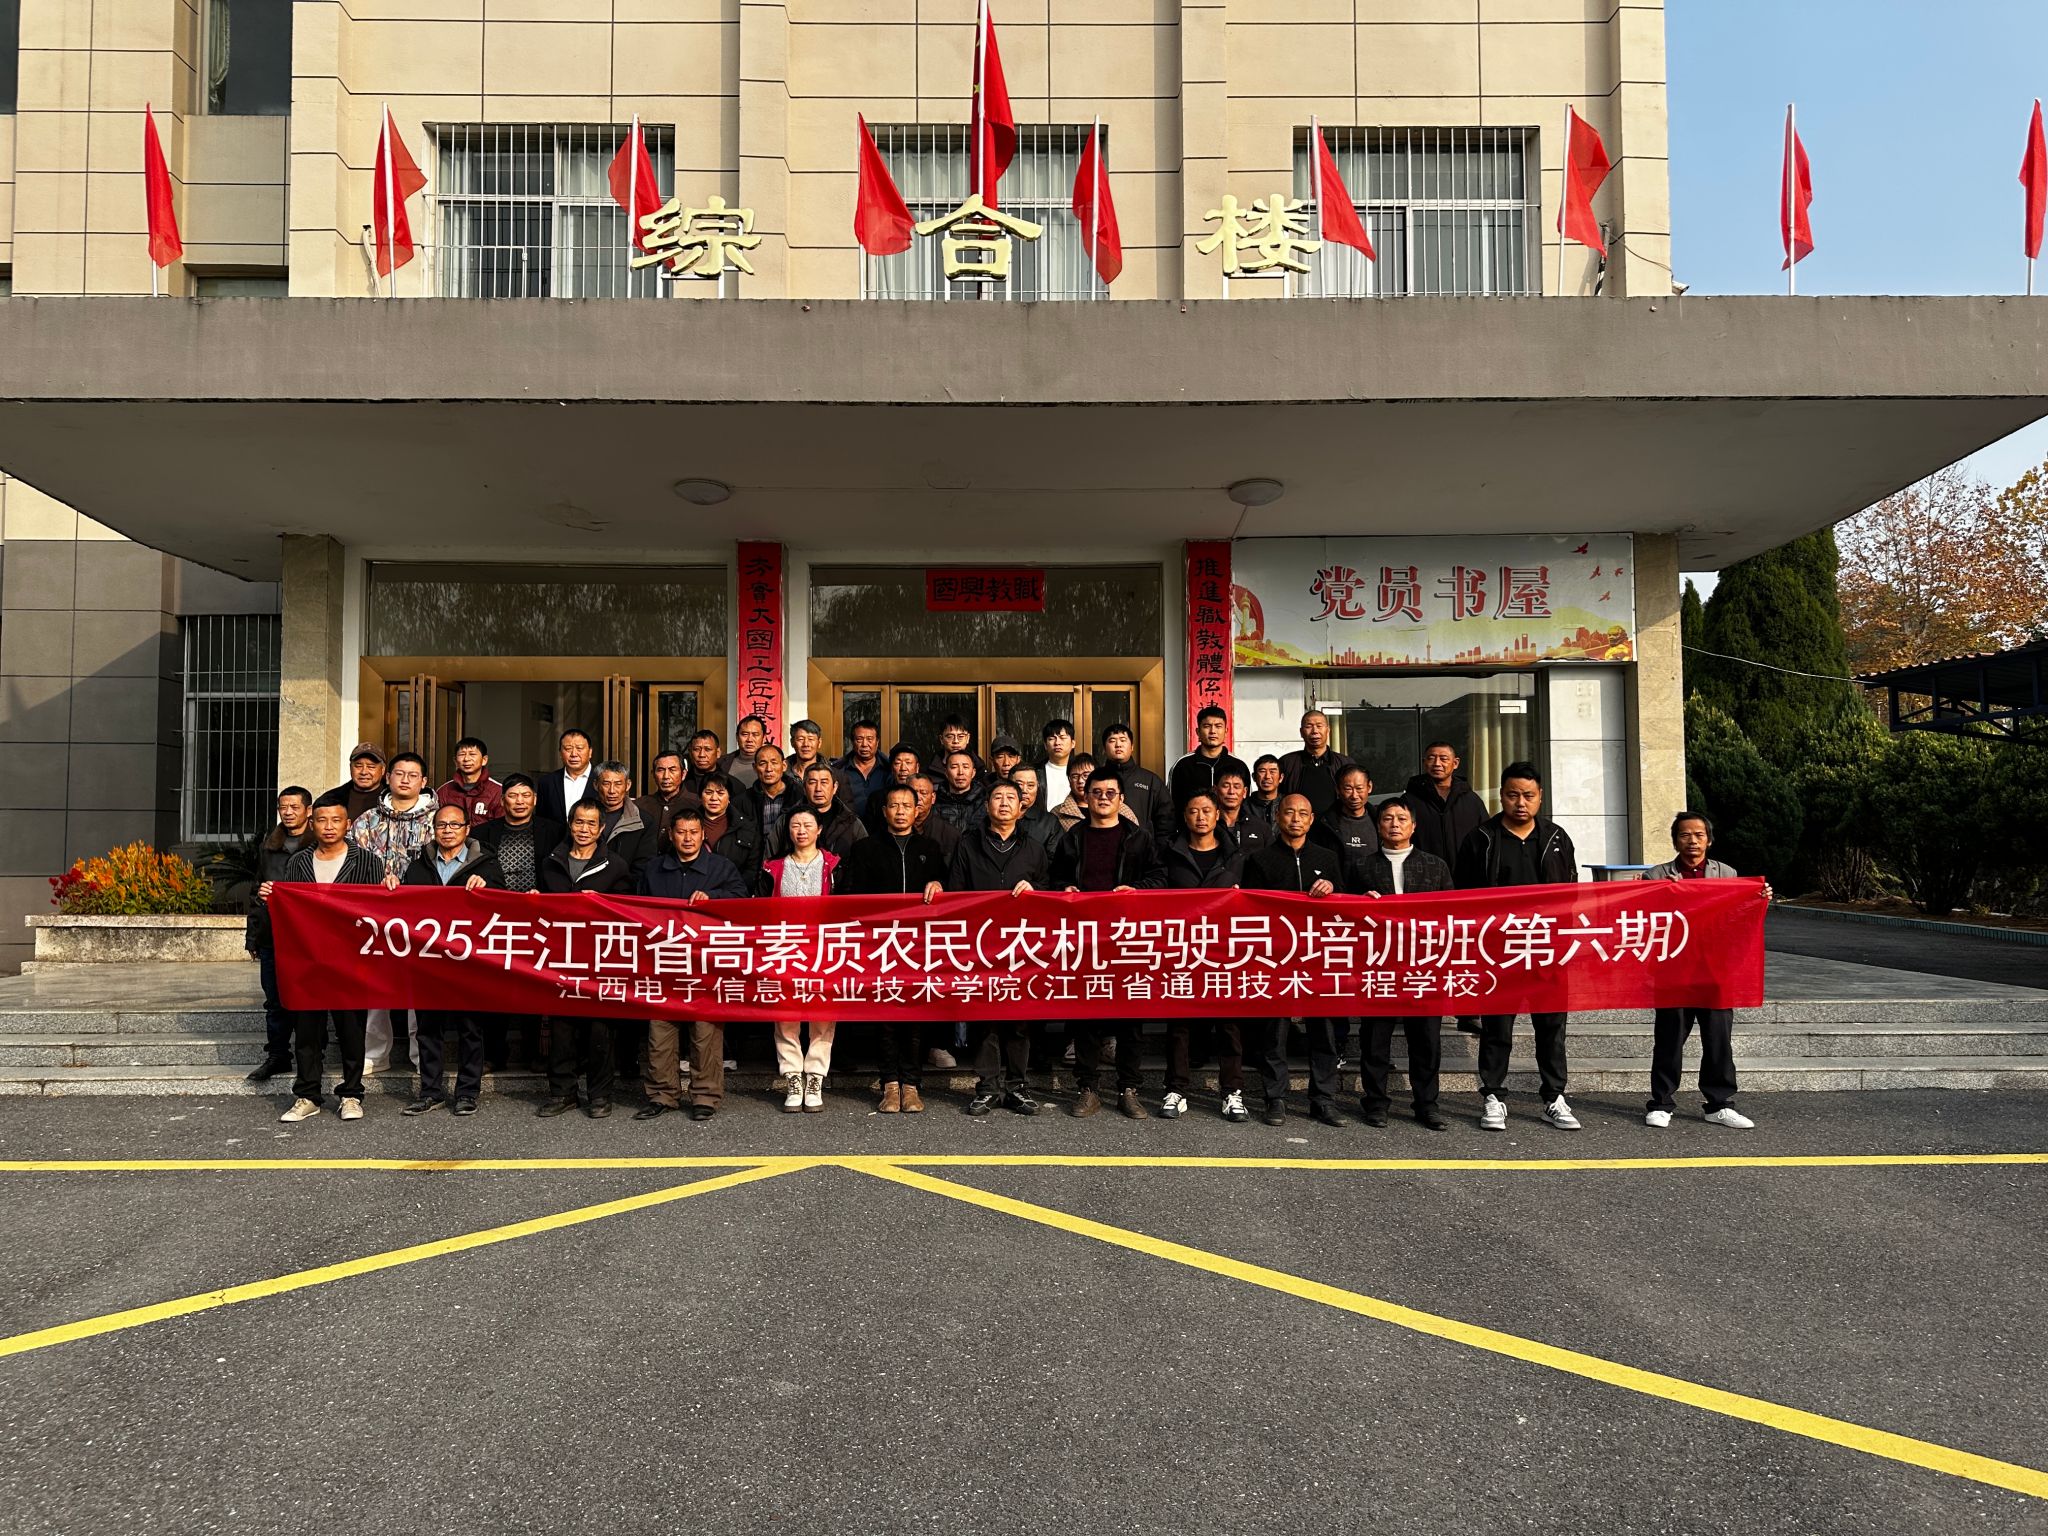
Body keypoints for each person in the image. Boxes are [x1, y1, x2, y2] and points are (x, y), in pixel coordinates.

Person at [1455, 761, 1581, 1134]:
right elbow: (1463, 897)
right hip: (1498, 951)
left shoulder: (1557, 838)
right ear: (1501, 796)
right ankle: (1494, 1096)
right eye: (1513, 795)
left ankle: (1554, 1097)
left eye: (1528, 795)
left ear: (1540, 797)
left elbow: (1571, 894)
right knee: (1497, 1027)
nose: (1520, 803)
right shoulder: (1481, 838)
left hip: (1547, 949)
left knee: (1552, 1027)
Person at [1050, 769, 1165, 1118]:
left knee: (1131, 1017)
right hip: (1085, 938)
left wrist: (1137, 890)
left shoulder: (1139, 837)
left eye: (1110, 793)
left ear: (1121, 799)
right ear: (1086, 797)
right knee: (1085, 1016)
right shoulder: (1072, 838)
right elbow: (1055, 879)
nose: (1103, 798)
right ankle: (1087, 1088)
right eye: (1096, 792)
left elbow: (1159, 878)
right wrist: (1064, 889)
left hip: (1128, 937)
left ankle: (1129, 1089)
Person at [1642, 812, 1765, 1131]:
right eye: (1685, 835)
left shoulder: (1726, 873)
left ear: (1709, 840)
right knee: (1669, 1040)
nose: (1692, 841)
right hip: (1674, 971)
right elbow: (1643, 918)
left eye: (1699, 835)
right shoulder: (1657, 875)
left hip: (1715, 971)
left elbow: (1737, 916)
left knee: (1718, 1040)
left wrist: (1758, 898)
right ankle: (1661, 1103)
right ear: (1675, 841)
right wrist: (1659, 894)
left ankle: (1719, 1104)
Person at [276, 796, 386, 1124]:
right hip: (308, 959)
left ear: (347, 824)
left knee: (351, 1030)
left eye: (336, 820)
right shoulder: (298, 862)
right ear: (312, 824)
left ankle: (351, 1094)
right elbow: (290, 909)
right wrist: (272, 895)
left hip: (350, 960)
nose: (328, 827)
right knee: (307, 1032)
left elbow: (376, 910)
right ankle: (307, 1095)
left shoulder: (367, 861)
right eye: (322, 820)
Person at [839, 783, 949, 1112]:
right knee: (885, 1016)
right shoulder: (865, 849)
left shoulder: (930, 848)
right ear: (884, 811)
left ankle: (912, 1085)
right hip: (880, 945)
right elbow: (850, 897)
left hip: (919, 945)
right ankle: (889, 1084)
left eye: (907, 805)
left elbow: (949, 889)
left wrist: (939, 884)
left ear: (918, 811)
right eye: (894, 805)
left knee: (915, 1015)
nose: (900, 811)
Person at [637, 809, 750, 1123]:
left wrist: (713, 897)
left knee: (705, 1033)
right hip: (664, 961)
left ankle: (705, 1096)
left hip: (706, 964)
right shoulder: (654, 869)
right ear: (671, 835)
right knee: (660, 1032)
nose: (687, 838)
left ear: (703, 835)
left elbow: (743, 901)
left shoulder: (721, 867)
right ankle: (662, 1094)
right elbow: (636, 910)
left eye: (693, 832)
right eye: (681, 832)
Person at [1242, 794, 1346, 1128]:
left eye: (1303, 813)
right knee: (1275, 1031)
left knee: (1324, 1030)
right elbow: (1251, 910)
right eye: (1289, 812)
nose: (1296, 819)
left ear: (1312, 819)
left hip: (1321, 956)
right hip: (1278, 957)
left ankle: (1324, 1099)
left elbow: (1347, 905)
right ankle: (1275, 1098)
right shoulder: (1260, 860)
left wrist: (1333, 888)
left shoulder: (1328, 858)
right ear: (1278, 817)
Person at [392, 803, 503, 1117]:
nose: (448, 831)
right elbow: (405, 908)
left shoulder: (487, 865)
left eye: (455, 825)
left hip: (470, 961)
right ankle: (430, 1092)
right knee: (428, 1029)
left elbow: (504, 906)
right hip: (429, 962)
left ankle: (467, 1092)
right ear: (434, 830)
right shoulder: (419, 867)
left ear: (467, 829)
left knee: (470, 1028)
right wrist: (392, 890)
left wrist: (487, 888)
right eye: (442, 825)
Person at [950, 780, 1048, 1116]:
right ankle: (988, 1088)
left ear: (1022, 808)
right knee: (985, 1018)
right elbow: (956, 892)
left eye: (1010, 798)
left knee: (1020, 1018)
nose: (1004, 803)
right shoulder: (968, 845)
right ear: (986, 805)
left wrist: (1035, 889)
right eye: (997, 797)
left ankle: (1018, 1087)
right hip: (981, 944)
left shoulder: (1034, 848)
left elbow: (1050, 890)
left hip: (1023, 946)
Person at [1354, 800, 1453, 1131]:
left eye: (1401, 818)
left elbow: (1452, 914)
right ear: (1378, 826)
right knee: (1374, 1039)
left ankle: (1427, 1104)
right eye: (1387, 818)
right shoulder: (1362, 867)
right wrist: (1360, 905)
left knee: (1426, 1040)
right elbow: (1344, 917)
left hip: (1423, 965)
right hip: (1379, 965)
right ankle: (1376, 1102)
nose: (1394, 824)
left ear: (1413, 826)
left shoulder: (1435, 866)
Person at [535, 800, 637, 1119]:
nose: (584, 829)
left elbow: (628, 911)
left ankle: (600, 1095)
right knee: (561, 1030)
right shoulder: (551, 861)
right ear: (570, 824)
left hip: (599, 959)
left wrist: (604, 903)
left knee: (599, 1031)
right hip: (560, 957)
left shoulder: (615, 865)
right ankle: (562, 1092)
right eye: (579, 822)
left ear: (601, 828)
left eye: (592, 824)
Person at [1158, 789, 1250, 1122]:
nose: (1200, 817)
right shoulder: (1170, 854)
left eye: (1207, 811)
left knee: (1228, 1024)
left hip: (1224, 951)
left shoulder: (1235, 857)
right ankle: (1176, 1089)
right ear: (1185, 817)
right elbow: (1155, 892)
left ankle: (1232, 1092)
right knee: (1179, 1023)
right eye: (1194, 811)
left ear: (1217, 815)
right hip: (1181, 949)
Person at [350, 749, 437, 1074]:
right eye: (399, 774)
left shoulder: (436, 820)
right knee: (376, 984)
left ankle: (421, 1056)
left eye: (413, 775)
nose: (405, 780)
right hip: (376, 914)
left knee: (419, 989)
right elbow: (354, 862)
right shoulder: (367, 821)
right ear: (388, 777)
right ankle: (376, 1054)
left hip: (421, 915)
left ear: (423, 781)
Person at [474, 772, 560, 1070]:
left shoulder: (553, 831)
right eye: (513, 796)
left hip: (537, 919)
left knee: (532, 987)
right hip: (495, 920)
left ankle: (534, 1053)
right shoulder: (483, 833)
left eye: (525, 796)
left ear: (535, 800)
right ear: (502, 800)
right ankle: (494, 1054)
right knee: (493, 988)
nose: (519, 801)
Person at [762, 807, 842, 1112]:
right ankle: (793, 1076)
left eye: (808, 825)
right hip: (784, 948)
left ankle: (816, 1077)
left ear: (819, 829)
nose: (801, 830)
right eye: (796, 825)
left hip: (824, 950)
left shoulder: (835, 866)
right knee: (786, 1014)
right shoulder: (773, 867)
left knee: (823, 1015)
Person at [244, 786, 314, 1083]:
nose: (288, 812)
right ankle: (277, 1055)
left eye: (294, 807)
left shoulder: (319, 844)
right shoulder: (269, 845)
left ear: (308, 811)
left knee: (308, 999)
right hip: (272, 933)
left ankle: (312, 1057)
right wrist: (252, 935)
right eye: (283, 807)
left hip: (308, 937)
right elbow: (256, 889)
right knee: (274, 999)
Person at [1401, 741, 1488, 867]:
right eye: (1431, 758)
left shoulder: (1471, 800)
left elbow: (1485, 837)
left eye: (1443, 759)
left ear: (1455, 763)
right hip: (1423, 871)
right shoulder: (1409, 801)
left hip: (1466, 873)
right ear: (1424, 762)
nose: (1437, 763)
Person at [1310, 763, 1380, 889]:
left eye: (1359, 788)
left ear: (1369, 787)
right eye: (1348, 789)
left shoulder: (1381, 821)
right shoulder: (1324, 824)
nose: (1354, 795)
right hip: (1336, 894)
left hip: (1374, 895)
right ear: (1338, 790)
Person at [1277, 711, 1355, 824]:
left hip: (1337, 827)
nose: (1315, 731)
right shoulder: (1287, 763)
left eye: (1319, 726)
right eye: (1309, 726)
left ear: (1328, 730)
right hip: (1296, 827)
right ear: (1301, 732)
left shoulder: (1345, 763)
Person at [778, 761, 867, 860]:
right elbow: (770, 861)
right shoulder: (786, 821)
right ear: (804, 788)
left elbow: (865, 859)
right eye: (812, 782)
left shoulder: (851, 822)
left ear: (835, 787)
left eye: (824, 782)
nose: (818, 789)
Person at [1099, 724, 1174, 840]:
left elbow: (1166, 821)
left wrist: (1156, 849)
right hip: (1103, 844)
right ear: (1104, 748)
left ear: (1132, 747)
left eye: (1123, 740)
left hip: (1143, 847)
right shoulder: (1096, 780)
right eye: (1112, 741)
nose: (1118, 745)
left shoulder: (1150, 780)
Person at [1170, 706, 1252, 811]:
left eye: (1218, 726)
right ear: (1198, 732)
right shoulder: (1183, 765)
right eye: (1207, 726)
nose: (1213, 731)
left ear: (1226, 731)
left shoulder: (1239, 765)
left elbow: (1247, 804)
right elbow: (1171, 805)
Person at [590, 760, 658, 885]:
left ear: (628, 785)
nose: (612, 790)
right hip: (587, 889)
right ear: (595, 785)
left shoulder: (643, 821)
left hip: (624, 890)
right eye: (606, 784)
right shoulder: (582, 816)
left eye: (618, 784)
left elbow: (643, 867)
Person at [698, 772, 765, 892]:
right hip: (694, 893)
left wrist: (732, 892)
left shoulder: (747, 827)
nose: (714, 798)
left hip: (733, 895)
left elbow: (752, 870)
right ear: (700, 796)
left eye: (720, 793)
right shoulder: (686, 825)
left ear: (729, 797)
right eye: (708, 792)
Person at [534, 727, 596, 827]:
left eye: (579, 748)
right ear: (560, 753)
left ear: (590, 752)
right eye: (568, 749)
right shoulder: (547, 782)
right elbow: (541, 821)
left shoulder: (602, 780)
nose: (574, 754)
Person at [435, 736, 503, 825]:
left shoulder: (498, 791)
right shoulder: (444, 791)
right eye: (462, 754)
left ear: (484, 760)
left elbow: (501, 826)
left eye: (472, 754)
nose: (466, 759)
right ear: (455, 761)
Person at [749, 743, 802, 852]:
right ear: (754, 768)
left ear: (784, 766)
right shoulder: (744, 800)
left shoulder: (799, 796)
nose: (769, 769)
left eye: (774, 763)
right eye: (763, 763)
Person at [837, 719, 891, 820]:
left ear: (877, 742)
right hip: (849, 826)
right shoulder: (839, 770)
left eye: (870, 739)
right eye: (859, 739)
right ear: (853, 742)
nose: (864, 744)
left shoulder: (889, 771)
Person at [637, 750, 695, 837]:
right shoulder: (639, 805)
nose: (666, 776)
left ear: (683, 774)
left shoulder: (696, 804)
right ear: (653, 774)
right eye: (661, 770)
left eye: (672, 770)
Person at [1213, 765, 1267, 859]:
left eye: (1236, 787)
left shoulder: (1260, 827)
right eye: (1226, 786)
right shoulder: (1206, 825)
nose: (1231, 792)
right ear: (1215, 790)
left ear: (1245, 792)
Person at [327, 743, 387, 823]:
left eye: (371, 767)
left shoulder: (393, 797)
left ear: (382, 770)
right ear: (350, 768)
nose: (364, 772)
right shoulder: (331, 799)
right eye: (358, 766)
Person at [909, 772, 960, 862]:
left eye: (923, 793)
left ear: (933, 798)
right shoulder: (894, 829)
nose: (918, 798)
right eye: (913, 793)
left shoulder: (949, 834)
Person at [934, 748, 988, 834]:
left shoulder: (984, 801)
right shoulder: (935, 801)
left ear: (973, 772)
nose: (960, 772)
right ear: (946, 773)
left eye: (965, 767)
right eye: (954, 767)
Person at [1010, 765, 1061, 853]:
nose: (1024, 790)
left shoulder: (1049, 823)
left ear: (1037, 788)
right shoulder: (994, 817)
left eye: (1030, 785)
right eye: (1019, 784)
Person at [718, 715, 767, 789]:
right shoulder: (721, 763)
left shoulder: (774, 764)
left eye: (755, 735)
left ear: (764, 738)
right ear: (737, 737)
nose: (749, 740)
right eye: (745, 734)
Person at [1039, 718, 1079, 809]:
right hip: (1044, 818)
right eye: (1052, 738)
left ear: (1073, 743)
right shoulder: (1035, 772)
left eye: (1062, 738)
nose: (1057, 743)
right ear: (1045, 745)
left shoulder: (1081, 772)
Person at [683, 730, 725, 799]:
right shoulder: (680, 783)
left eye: (707, 749)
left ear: (718, 753)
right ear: (690, 753)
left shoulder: (732, 785)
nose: (702, 755)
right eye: (697, 749)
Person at [1245, 754, 1284, 828]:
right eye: (1262, 771)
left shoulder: (1287, 804)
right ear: (1254, 777)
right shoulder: (1244, 807)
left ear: (1281, 778)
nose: (1267, 776)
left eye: (1272, 772)